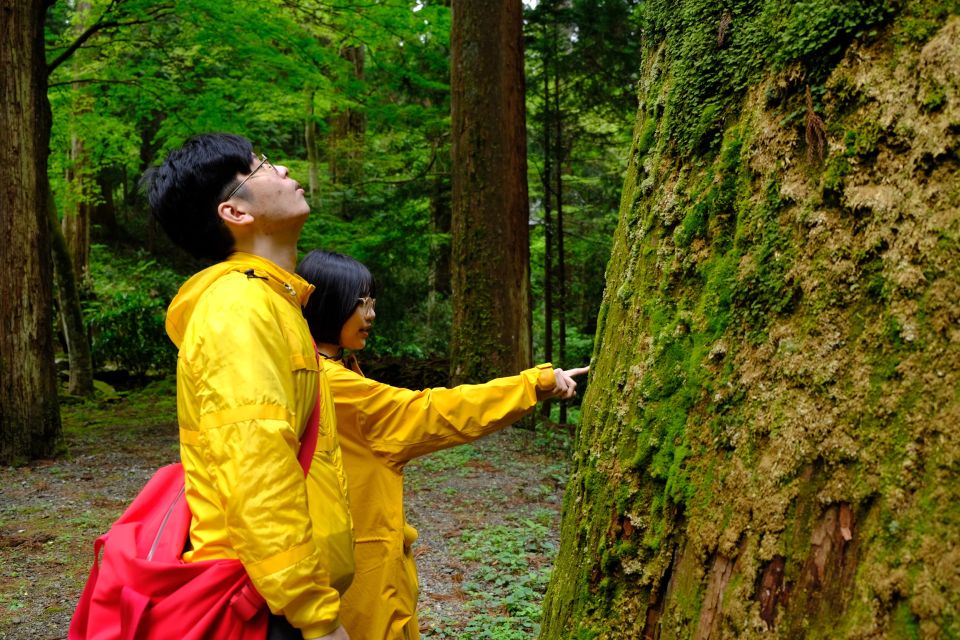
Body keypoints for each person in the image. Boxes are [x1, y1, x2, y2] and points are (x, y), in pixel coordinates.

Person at [296, 249, 589, 640]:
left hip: (345, 553)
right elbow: (432, 412)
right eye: (361, 302)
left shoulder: (314, 368)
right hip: (357, 564)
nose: (371, 314)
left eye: (372, 302)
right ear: (331, 303)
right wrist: (531, 385)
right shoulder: (335, 384)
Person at [144, 134, 353, 640]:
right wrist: (315, 615)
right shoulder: (239, 309)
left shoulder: (273, 303)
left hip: (274, 593)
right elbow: (257, 467)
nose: (283, 170)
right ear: (235, 212)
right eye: (261, 166)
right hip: (263, 605)